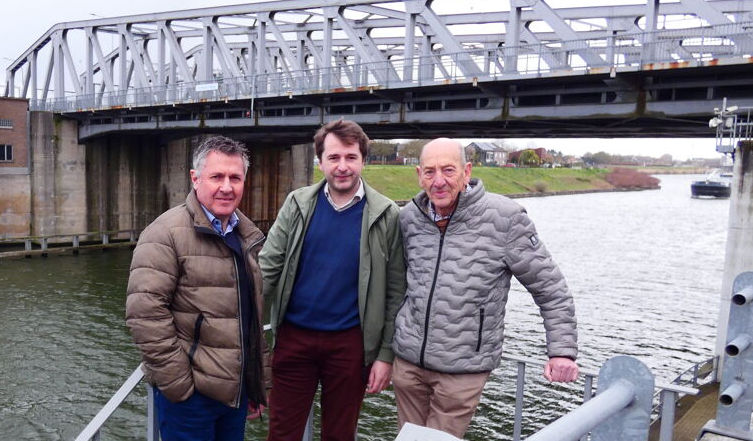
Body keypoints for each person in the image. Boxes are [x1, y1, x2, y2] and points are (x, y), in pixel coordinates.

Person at [392, 137, 579, 437]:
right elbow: (395, 284)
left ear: (467, 172)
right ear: (419, 175)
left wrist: (562, 351)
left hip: (462, 369)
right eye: (429, 172)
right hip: (408, 364)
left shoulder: (505, 219)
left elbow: (550, 288)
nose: (438, 181)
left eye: (448, 170)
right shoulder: (408, 218)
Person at [258, 119, 406, 441]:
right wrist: (247, 334)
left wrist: (385, 355)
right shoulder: (297, 205)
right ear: (320, 161)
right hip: (294, 339)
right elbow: (266, 270)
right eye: (333, 158)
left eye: (350, 157)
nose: (342, 167)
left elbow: (396, 292)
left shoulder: (386, 214)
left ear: (363, 160)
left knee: (340, 435)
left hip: (350, 345)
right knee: (282, 432)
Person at [126, 135, 269, 441]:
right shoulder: (164, 234)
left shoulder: (245, 234)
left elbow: (249, 317)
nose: (227, 187)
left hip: (234, 393)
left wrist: (255, 383)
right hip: (192, 399)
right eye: (216, 176)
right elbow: (144, 314)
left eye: (235, 177)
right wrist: (180, 387)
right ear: (195, 178)